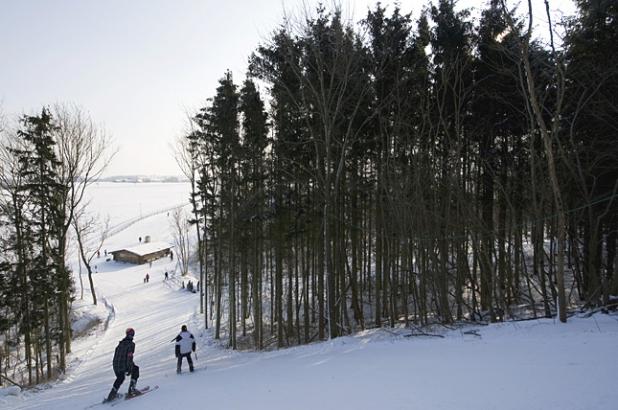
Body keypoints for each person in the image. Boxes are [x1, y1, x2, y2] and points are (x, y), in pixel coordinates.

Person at [107, 328, 140, 401]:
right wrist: (129, 368)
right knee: (136, 370)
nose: (132, 336)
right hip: (123, 366)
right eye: (132, 334)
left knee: (120, 378)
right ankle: (131, 391)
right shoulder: (131, 344)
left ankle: (112, 395)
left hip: (116, 366)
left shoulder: (120, 344)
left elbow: (116, 357)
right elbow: (129, 358)